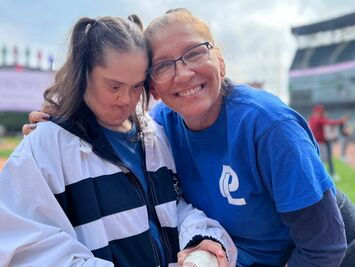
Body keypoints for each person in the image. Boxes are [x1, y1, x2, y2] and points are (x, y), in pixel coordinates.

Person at [23, 9, 349, 267]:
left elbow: (324, 247)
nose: (182, 73)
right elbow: (112, 127)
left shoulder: (268, 127)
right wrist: (61, 122)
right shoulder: (160, 128)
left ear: (219, 60)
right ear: (152, 87)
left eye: (194, 52)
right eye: (163, 66)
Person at [0, 15, 237, 267]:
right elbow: (27, 250)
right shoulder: (46, 144)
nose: (126, 99)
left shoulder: (153, 135)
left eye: (136, 86)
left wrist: (202, 242)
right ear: (84, 74)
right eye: (114, 86)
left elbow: (174, 207)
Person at [308, 104, 348, 179]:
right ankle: (323, 175)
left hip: (320, 141)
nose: (321, 113)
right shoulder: (317, 119)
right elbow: (330, 123)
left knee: (325, 158)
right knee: (323, 159)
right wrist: (341, 121)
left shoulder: (314, 118)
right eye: (320, 112)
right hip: (320, 142)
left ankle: (328, 173)